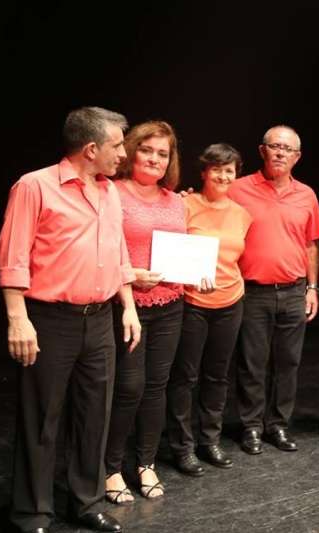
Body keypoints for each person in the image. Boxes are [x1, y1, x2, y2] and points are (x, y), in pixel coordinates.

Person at [0, 106, 139, 533]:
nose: (123, 155)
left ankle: (86, 501)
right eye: (117, 146)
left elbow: (118, 251)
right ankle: (32, 512)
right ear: (91, 148)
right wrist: (17, 319)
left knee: (95, 414)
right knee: (42, 417)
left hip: (100, 319)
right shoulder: (34, 186)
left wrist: (129, 305)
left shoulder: (109, 191)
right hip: (50, 319)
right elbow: (12, 257)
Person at [104, 121, 186, 502]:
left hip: (171, 304)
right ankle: (110, 468)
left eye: (162, 153)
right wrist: (132, 275)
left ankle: (146, 463)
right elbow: (103, 249)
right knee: (129, 388)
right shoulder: (111, 192)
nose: (154, 158)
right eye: (147, 150)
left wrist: (197, 274)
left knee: (156, 388)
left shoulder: (176, 200)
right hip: (126, 306)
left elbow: (184, 251)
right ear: (131, 151)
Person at [228, 125, 319, 453]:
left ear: (297, 157)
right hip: (253, 291)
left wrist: (313, 287)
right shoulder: (238, 189)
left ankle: (278, 425)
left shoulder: (306, 195)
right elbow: (211, 211)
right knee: (252, 363)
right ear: (262, 151)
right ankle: (252, 427)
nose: (281, 153)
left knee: (288, 363)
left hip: (294, 291)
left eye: (288, 149)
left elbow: (311, 245)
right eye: (275, 146)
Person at [167, 144, 253, 475]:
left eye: (229, 170)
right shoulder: (184, 205)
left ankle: (210, 440)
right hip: (192, 303)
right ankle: (182, 446)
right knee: (185, 377)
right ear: (204, 172)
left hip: (230, 302)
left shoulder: (242, 214)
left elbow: (236, 258)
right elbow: (171, 252)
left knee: (217, 376)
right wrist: (188, 276)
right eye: (216, 169)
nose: (223, 175)